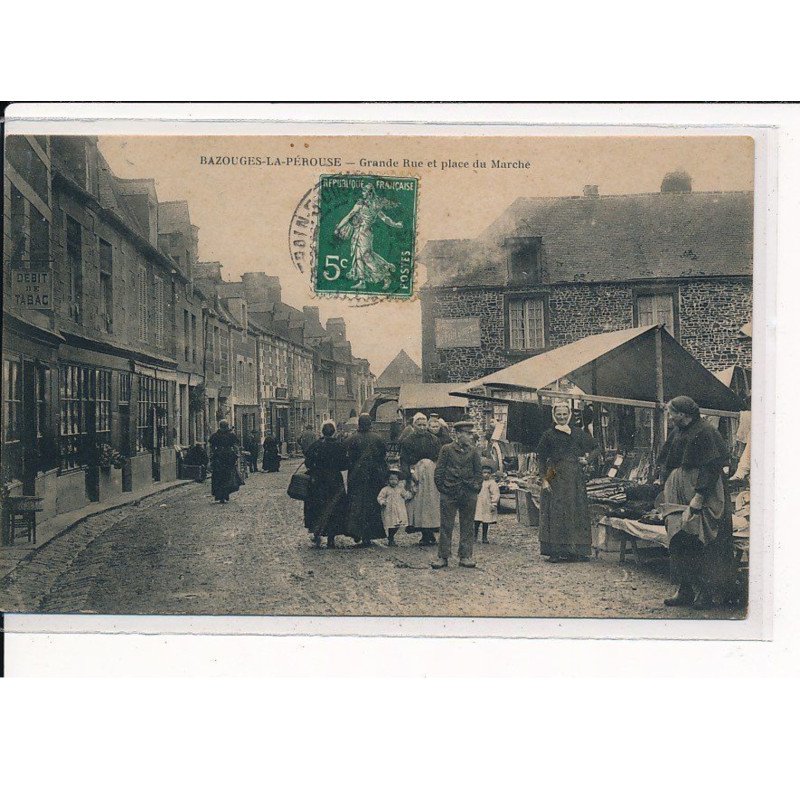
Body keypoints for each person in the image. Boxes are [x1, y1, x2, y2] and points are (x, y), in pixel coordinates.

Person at [657, 395, 734, 610]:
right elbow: (667, 460)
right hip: (678, 494)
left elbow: (712, 466)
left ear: (683, 414)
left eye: (672, 412)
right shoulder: (677, 431)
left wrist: (699, 496)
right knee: (679, 538)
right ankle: (685, 589)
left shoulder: (706, 431)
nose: (670, 416)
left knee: (701, 539)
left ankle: (705, 592)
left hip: (702, 491)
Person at [536, 403, 599, 563]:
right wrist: (544, 479)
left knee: (575, 510)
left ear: (569, 415)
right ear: (554, 415)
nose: (562, 417)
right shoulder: (548, 435)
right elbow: (541, 458)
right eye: (559, 415)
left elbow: (597, 448)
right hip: (554, 472)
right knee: (556, 511)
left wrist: (587, 460)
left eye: (564, 414)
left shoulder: (578, 433)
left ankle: (576, 550)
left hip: (575, 476)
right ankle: (556, 551)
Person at [431, 420, 483, 569]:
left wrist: (475, 488)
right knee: (446, 525)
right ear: (458, 434)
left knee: (467, 525)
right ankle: (443, 557)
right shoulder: (446, 449)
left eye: (470, 433)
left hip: (468, 492)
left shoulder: (473, 452)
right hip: (449, 492)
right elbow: (439, 471)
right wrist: (443, 488)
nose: (470, 436)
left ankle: (465, 556)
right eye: (467, 433)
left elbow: (479, 473)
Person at [304, 421, 350, 548]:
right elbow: (345, 464)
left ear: (322, 431)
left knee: (318, 507)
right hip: (334, 481)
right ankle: (331, 538)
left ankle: (317, 533)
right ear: (334, 432)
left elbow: (308, 462)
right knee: (334, 507)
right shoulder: (340, 446)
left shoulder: (316, 445)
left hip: (318, 481)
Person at [345, 414, 389, 547]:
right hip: (373, 476)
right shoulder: (378, 438)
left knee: (356, 505)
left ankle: (356, 532)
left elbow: (347, 458)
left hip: (356, 476)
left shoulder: (351, 439)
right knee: (371, 505)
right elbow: (383, 456)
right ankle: (369, 535)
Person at [399, 412, 442, 546]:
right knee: (418, 504)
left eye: (424, 425)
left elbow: (439, 458)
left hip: (431, 474)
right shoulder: (408, 441)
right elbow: (404, 460)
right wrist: (408, 476)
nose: (422, 427)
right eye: (419, 425)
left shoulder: (434, 440)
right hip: (416, 474)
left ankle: (431, 532)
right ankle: (424, 533)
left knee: (431, 503)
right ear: (414, 425)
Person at [377, 466, 413, 547]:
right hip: (389, 510)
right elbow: (380, 497)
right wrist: (382, 502)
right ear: (388, 480)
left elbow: (406, 495)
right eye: (391, 479)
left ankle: (391, 536)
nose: (393, 481)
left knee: (397, 525)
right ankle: (390, 538)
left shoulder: (400, 489)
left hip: (399, 510)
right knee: (391, 524)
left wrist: (411, 494)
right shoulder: (385, 489)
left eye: (395, 479)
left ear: (398, 480)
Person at [209, 420, 240, 503]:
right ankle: (225, 495)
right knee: (227, 476)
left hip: (219, 457)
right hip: (227, 457)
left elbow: (211, 447)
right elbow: (235, 446)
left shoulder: (215, 435)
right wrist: (236, 455)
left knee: (219, 477)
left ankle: (220, 496)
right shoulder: (231, 435)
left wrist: (212, 456)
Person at [474, 463, 500, 543]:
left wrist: (494, 504)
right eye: (484, 472)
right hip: (478, 503)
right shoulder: (478, 481)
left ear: (491, 474)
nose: (486, 475)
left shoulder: (492, 483)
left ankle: (484, 537)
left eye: (488, 473)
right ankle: (474, 537)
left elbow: (495, 493)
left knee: (486, 521)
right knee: (476, 520)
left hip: (487, 504)